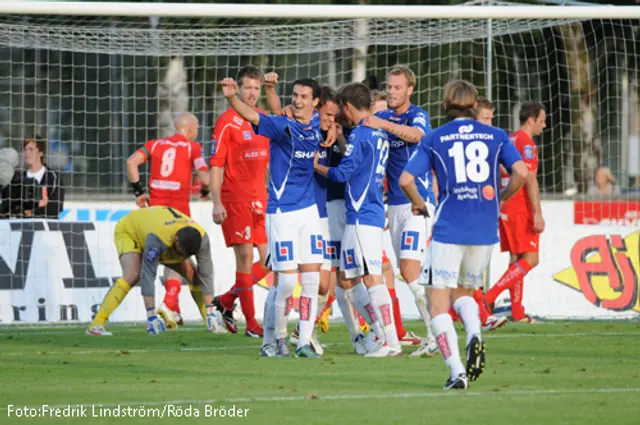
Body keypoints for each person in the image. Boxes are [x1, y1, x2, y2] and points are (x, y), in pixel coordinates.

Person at [400, 80, 528, 389]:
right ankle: (474, 333)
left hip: (449, 227)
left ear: (446, 105)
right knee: (464, 294)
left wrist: (419, 204)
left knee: (437, 302)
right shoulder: (496, 135)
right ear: (474, 106)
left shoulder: (435, 137)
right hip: (484, 228)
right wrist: (502, 196)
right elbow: (522, 172)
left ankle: (456, 371)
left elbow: (406, 178)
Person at [221, 74, 326, 358]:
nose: (298, 100)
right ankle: (273, 339)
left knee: (313, 281)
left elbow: (321, 116)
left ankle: (304, 341)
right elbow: (253, 115)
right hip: (281, 212)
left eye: (304, 97)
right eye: (295, 95)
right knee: (288, 282)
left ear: (315, 102)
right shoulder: (282, 127)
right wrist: (232, 98)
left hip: (309, 212)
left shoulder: (316, 122)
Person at [315, 82, 401, 357]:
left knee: (372, 279)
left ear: (348, 107)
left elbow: (342, 174)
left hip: (363, 216)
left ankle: (390, 341)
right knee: (348, 279)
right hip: (364, 213)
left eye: (342, 109)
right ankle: (377, 332)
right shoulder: (378, 133)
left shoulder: (361, 135)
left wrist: (315, 165)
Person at [363, 65, 437, 355]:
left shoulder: (416, 114)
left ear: (410, 90)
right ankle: (433, 333)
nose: (392, 92)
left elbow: (417, 136)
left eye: (397, 87)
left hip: (417, 202)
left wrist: (384, 126)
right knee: (409, 275)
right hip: (393, 205)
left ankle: (436, 335)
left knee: (408, 270)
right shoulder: (380, 116)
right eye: (389, 87)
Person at [125, 112, 210, 328]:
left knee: (164, 258)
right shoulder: (193, 148)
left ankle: (175, 309)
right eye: (197, 128)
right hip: (178, 213)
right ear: (190, 129)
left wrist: (139, 192)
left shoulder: (154, 145)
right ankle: (170, 302)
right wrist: (206, 189)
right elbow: (204, 176)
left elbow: (131, 162)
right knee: (178, 256)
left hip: (154, 214)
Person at [86, 206, 224, 336]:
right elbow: (148, 275)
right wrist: (151, 315)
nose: (181, 258)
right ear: (176, 240)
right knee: (133, 273)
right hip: (130, 231)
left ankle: (210, 321)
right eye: (180, 253)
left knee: (194, 276)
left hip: (160, 230)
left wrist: (211, 309)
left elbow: (207, 273)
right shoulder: (157, 238)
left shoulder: (202, 238)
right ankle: (97, 324)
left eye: (185, 255)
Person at [210, 66, 271, 338]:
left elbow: (269, 161)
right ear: (238, 89)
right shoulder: (226, 122)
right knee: (245, 259)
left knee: (271, 261)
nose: (252, 93)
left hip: (262, 199)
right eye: (247, 87)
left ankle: (225, 301)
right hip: (235, 199)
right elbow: (216, 165)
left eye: (256, 88)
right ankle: (252, 324)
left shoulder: (263, 119)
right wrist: (215, 202)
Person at [446, 97, 507, 333]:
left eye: (491, 119)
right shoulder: (454, 142)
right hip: (454, 214)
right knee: (457, 272)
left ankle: (467, 315)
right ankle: (475, 317)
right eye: (485, 118)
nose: (489, 124)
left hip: (479, 214)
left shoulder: (491, 141)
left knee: (468, 272)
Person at [484, 101, 547, 323]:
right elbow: (529, 178)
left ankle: (517, 312)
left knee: (516, 259)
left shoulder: (509, 139)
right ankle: (489, 296)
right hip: (519, 204)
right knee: (531, 258)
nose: (544, 125)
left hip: (505, 204)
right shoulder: (527, 143)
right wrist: (537, 213)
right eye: (541, 120)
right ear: (531, 121)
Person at [0, 136, 64, 219]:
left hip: (46, 229)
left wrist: (31, 212)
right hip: (21, 228)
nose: (27, 152)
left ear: (41, 152)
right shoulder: (19, 178)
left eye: (31, 149)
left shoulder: (53, 178)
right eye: (25, 149)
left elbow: (56, 207)